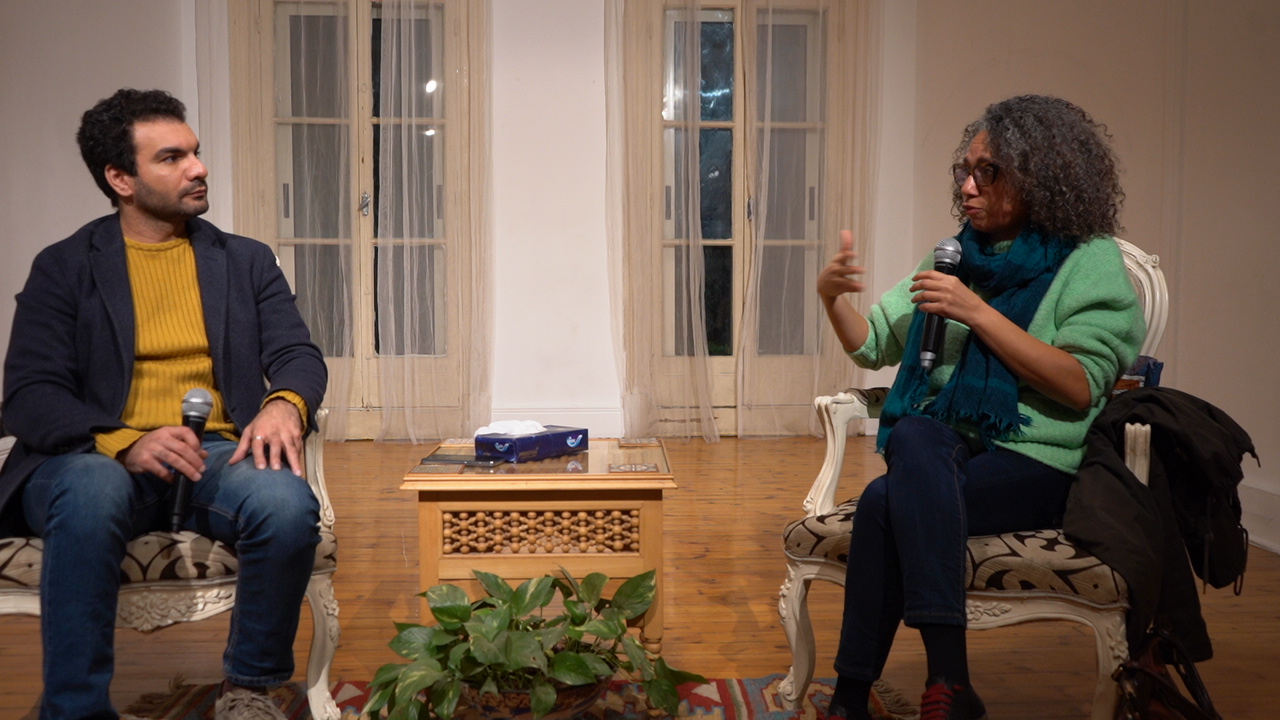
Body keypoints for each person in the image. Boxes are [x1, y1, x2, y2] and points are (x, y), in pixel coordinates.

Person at [814, 95, 1145, 720]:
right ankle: (950, 685)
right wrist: (831, 299)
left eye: (986, 172)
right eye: (964, 171)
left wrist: (976, 312)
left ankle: (853, 697)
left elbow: (1081, 385)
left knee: (884, 501)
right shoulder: (953, 255)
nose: (967, 187)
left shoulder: (1089, 261)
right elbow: (874, 344)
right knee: (915, 436)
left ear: (1039, 177)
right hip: (948, 450)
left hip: (1037, 461)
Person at [0, 89, 327, 720]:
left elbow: (297, 354)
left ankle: (250, 690)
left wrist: (285, 404)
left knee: (286, 503)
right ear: (120, 179)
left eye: (195, 153)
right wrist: (125, 441)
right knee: (93, 488)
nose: (199, 169)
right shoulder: (64, 267)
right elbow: (30, 395)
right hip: (94, 458)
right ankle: (75, 710)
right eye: (172, 158)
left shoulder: (245, 260)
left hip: (214, 455)